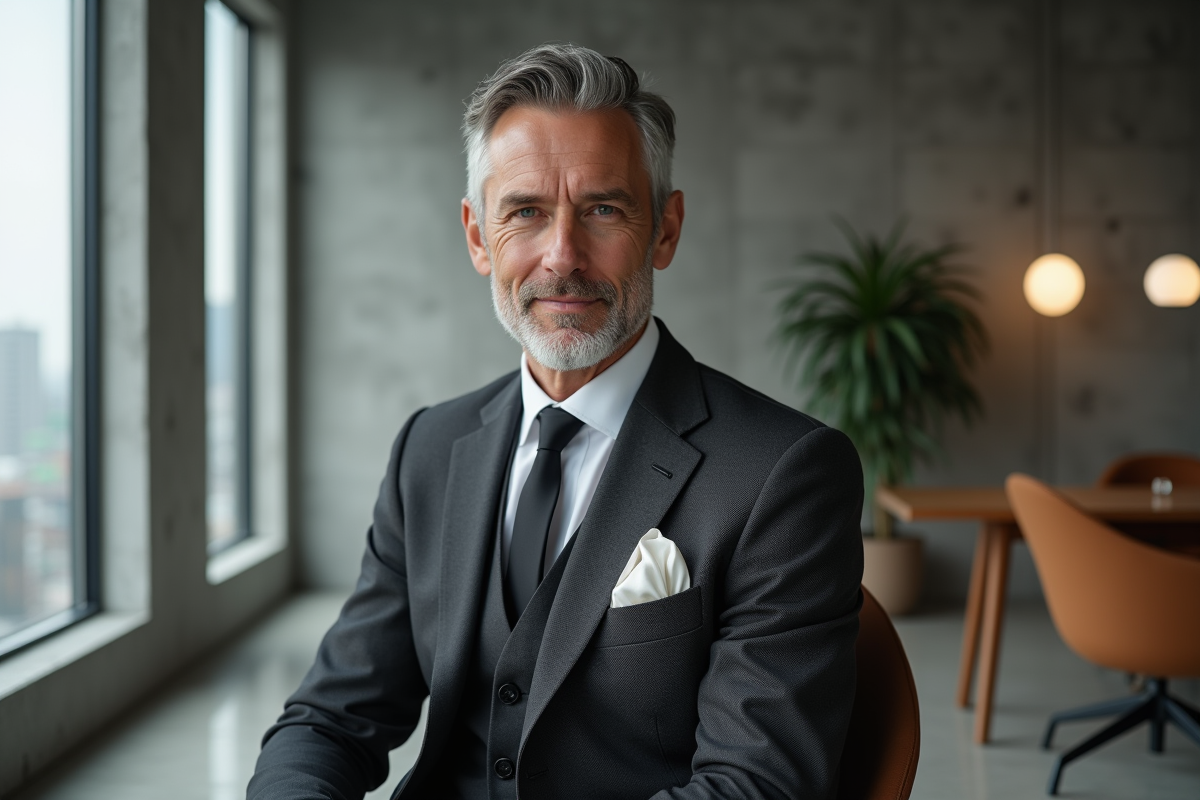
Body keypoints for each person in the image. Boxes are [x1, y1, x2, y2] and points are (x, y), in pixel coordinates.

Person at [248, 43, 864, 800]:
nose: (562, 256)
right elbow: (330, 719)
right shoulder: (429, 449)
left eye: (604, 208)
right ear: (479, 236)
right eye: (526, 213)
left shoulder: (784, 473)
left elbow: (754, 788)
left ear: (665, 230)